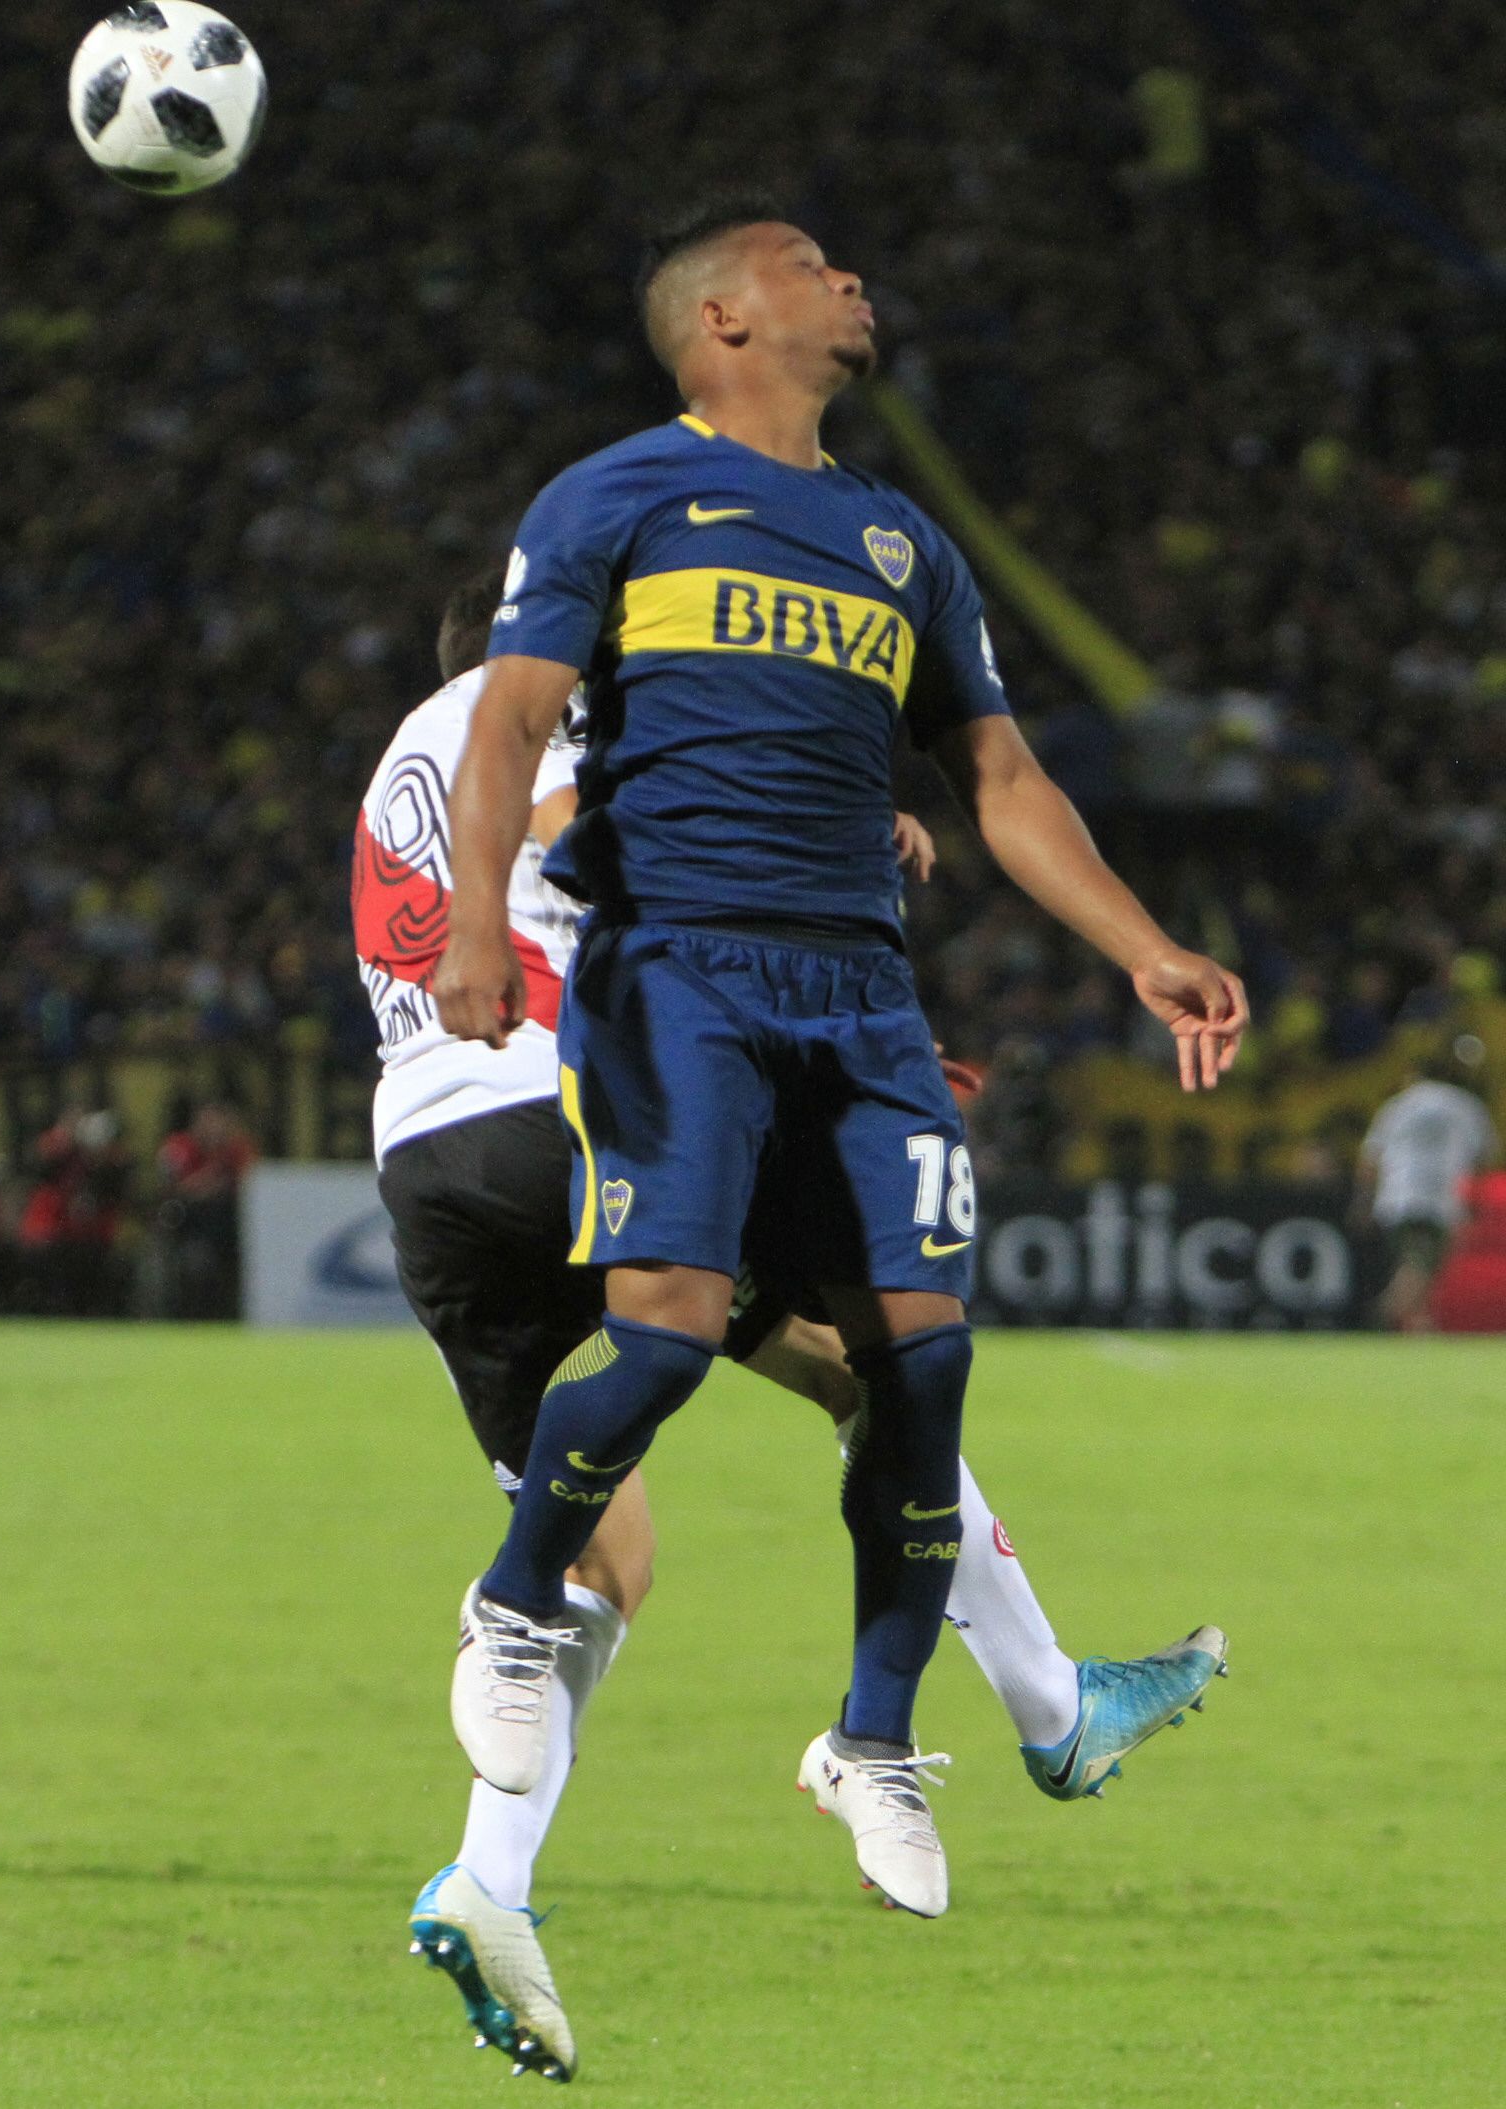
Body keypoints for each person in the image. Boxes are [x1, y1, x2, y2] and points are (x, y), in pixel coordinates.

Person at [433, 194, 1245, 1925]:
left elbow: (1001, 779)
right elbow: (509, 718)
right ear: (723, 319)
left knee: (921, 1362)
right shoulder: (614, 497)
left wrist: (1143, 944)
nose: (850, 278)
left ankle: (872, 1737)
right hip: (676, 969)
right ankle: (514, 1599)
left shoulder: (899, 542)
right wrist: (477, 925)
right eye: (809, 264)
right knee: (663, 1334)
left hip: (861, 995)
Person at [358, 569, 1233, 2080]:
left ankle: (486, 1885)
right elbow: (585, 841)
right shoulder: (534, 709)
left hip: (431, 1162)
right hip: (578, 1107)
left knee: (609, 1560)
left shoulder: (405, 756)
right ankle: (1037, 1710)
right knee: (882, 1352)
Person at [1355, 1041, 1500, 1330]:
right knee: (1421, 1264)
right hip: (1442, 1200)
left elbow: (1370, 1158)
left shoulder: (1400, 1104)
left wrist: (1363, 1200)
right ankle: (1382, 1317)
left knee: (1417, 1263)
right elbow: (1487, 1157)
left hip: (1398, 1197)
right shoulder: (1467, 1105)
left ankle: (1417, 1325)